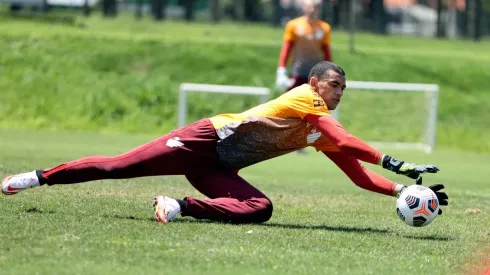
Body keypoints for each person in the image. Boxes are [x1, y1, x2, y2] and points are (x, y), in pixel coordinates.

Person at [2, 61, 449, 224]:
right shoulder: (305, 98)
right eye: (333, 85)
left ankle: (178, 206)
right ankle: (37, 178)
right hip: (203, 139)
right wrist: (397, 161)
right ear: (315, 83)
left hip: (216, 169)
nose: (337, 93)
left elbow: (355, 173)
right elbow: (342, 137)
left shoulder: (319, 126)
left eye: (342, 90)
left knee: (261, 209)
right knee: (118, 167)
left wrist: (399, 188)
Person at [276, 0, 333, 92]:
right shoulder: (293, 25)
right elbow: (287, 49)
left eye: (315, 7)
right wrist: (281, 70)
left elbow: (327, 53)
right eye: (309, 6)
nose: (312, 10)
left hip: (316, 74)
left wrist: (330, 72)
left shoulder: (324, 28)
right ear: (303, 7)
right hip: (298, 71)